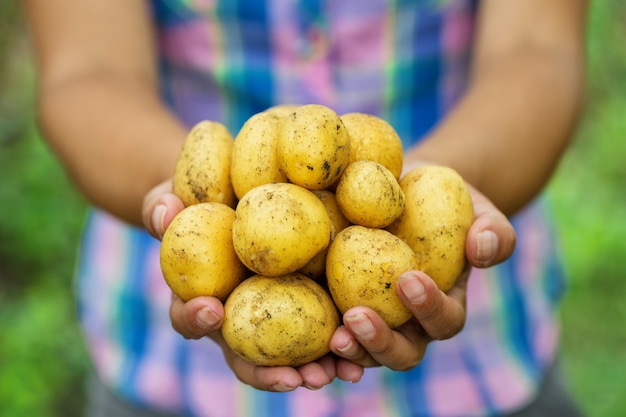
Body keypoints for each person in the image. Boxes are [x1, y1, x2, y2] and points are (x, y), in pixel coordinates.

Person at [21, 0, 588, 416]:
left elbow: (537, 51)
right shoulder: (244, 203)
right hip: (166, 370)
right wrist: (176, 192)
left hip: (481, 366)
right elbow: (85, 72)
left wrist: (442, 175)